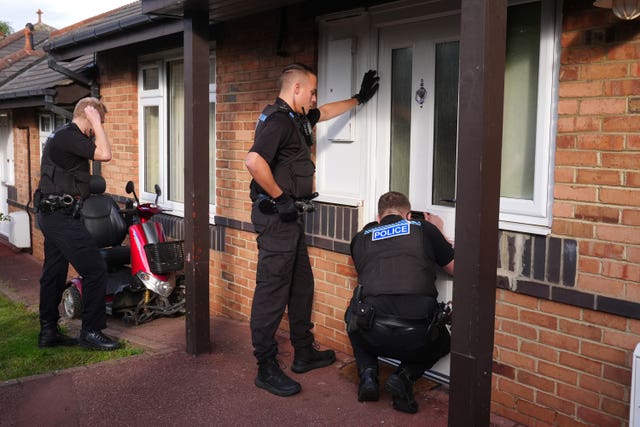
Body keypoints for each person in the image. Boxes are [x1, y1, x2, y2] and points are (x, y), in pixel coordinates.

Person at [245, 63, 379, 397]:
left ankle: (303, 351)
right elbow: (254, 162)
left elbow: (326, 111)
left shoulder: (296, 118)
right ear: (297, 90)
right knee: (272, 293)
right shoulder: (277, 121)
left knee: (302, 287)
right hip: (277, 219)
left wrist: (358, 99)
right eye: (313, 91)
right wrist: (281, 198)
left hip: (289, 221)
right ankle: (266, 367)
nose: (316, 97)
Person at [345, 191, 454, 413]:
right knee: (443, 342)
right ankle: (404, 377)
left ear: (378, 218)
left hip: (373, 330)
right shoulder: (424, 230)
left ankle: (368, 376)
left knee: (353, 318)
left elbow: (364, 267)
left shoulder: (361, 237)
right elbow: (454, 268)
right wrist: (439, 234)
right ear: (408, 215)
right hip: (417, 331)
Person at [35, 97, 121, 351]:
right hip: (59, 217)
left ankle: (48, 331)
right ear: (88, 116)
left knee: (54, 273)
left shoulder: (64, 137)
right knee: (95, 269)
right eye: (98, 122)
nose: (98, 129)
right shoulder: (68, 136)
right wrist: (96, 120)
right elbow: (105, 154)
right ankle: (91, 332)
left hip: (55, 214)